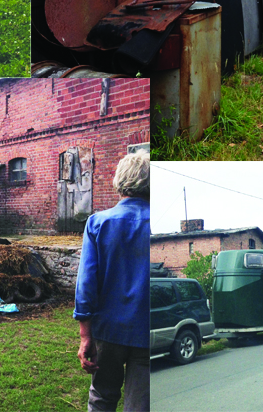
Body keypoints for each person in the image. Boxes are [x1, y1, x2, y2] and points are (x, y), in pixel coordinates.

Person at [73, 151, 150, 412]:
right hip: (146, 331)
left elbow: (86, 285)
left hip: (108, 331)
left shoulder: (98, 223)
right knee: (140, 404)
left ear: (119, 181)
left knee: (103, 399)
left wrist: (86, 336)